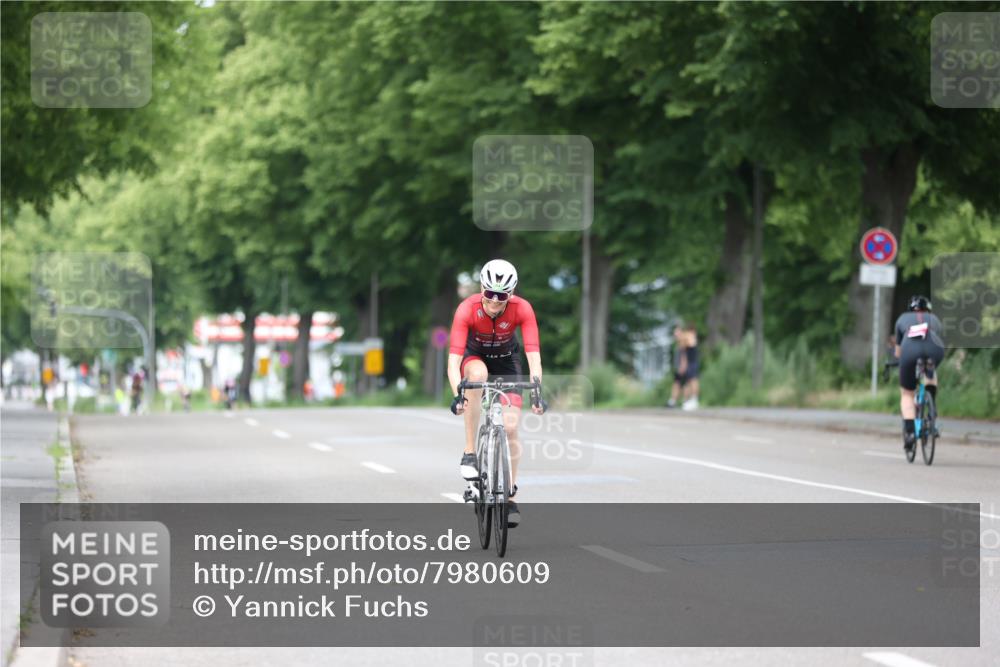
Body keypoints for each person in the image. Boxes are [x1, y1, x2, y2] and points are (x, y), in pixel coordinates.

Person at [448, 259, 544, 528]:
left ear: (510, 294)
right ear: (481, 288)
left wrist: (537, 391)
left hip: (506, 362)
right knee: (476, 378)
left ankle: (510, 494)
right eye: (489, 294)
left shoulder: (522, 309)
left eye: (500, 296)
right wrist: (458, 394)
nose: (493, 301)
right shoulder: (467, 309)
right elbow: (453, 362)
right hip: (475, 358)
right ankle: (470, 452)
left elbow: (533, 357)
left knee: (512, 427)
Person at [892, 295, 945, 452]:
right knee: (930, 371)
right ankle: (931, 406)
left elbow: (898, 352)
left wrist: (900, 361)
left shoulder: (902, 319)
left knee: (907, 393)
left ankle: (909, 433)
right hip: (935, 349)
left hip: (909, 350)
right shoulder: (934, 318)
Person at [667, 324, 688, 408]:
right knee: (677, 384)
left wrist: (683, 366)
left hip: (681, 367)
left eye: (677, 333)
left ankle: (685, 401)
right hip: (678, 367)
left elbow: (684, 356)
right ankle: (673, 401)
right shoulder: (679, 343)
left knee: (684, 384)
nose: (675, 335)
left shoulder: (683, 343)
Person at [681, 324, 700, 410]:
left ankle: (694, 399)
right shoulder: (688, 337)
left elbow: (687, 341)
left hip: (693, 363)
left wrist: (682, 336)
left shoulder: (691, 337)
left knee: (693, 380)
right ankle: (688, 400)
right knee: (688, 382)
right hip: (690, 363)